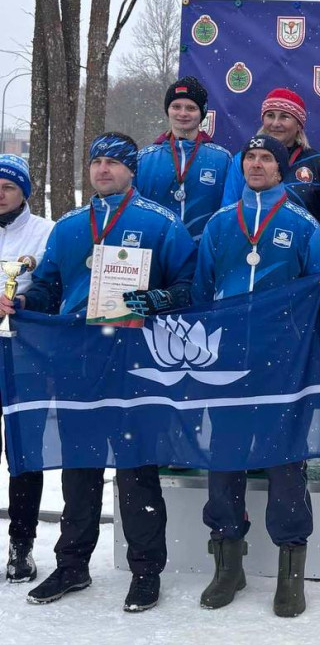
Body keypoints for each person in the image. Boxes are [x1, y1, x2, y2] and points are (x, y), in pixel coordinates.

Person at [0, 133, 196, 612]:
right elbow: (47, 289)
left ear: (132, 170)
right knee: (79, 466)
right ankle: (72, 565)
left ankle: (146, 569)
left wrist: (151, 300)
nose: (103, 169)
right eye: (97, 162)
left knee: (135, 469)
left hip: (134, 360)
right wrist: (21, 302)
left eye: (113, 162)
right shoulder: (68, 228)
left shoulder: (161, 222)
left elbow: (190, 288)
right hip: (78, 362)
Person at [194, 133, 320, 618]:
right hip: (228, 362)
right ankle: (227, 564)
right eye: (250, 157)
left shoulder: (301, 224)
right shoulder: (217, 224)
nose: (257, 164)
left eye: (266, 158)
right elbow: (202, 292)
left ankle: (290, 571)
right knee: (225, 460)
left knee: (284, 463)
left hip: (282, 362)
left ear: (280, 169)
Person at [0, 154, 52, 583]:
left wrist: (22, 303)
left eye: (8, 186)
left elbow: (54, 290)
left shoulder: (45, 233)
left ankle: (22, 544)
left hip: (24, 356)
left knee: (23, 453)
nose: (0, 193)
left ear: (24, 192)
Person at [223, 87, 320, 234]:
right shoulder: (244, 159)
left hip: (301, 250)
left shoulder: (318, 163)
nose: (276, 123)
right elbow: (228, 212)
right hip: (251, 246)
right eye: (270, 115)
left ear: (299, 125)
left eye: (284, 117)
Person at [135, 76, 232, 240]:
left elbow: (230, 210)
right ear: (168, 110)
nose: (183, 113)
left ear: (202, 112)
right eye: (176, 106)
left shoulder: (222, 159)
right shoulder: (145, 159)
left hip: (202, 252)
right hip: (156, 251)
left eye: (191, 108)